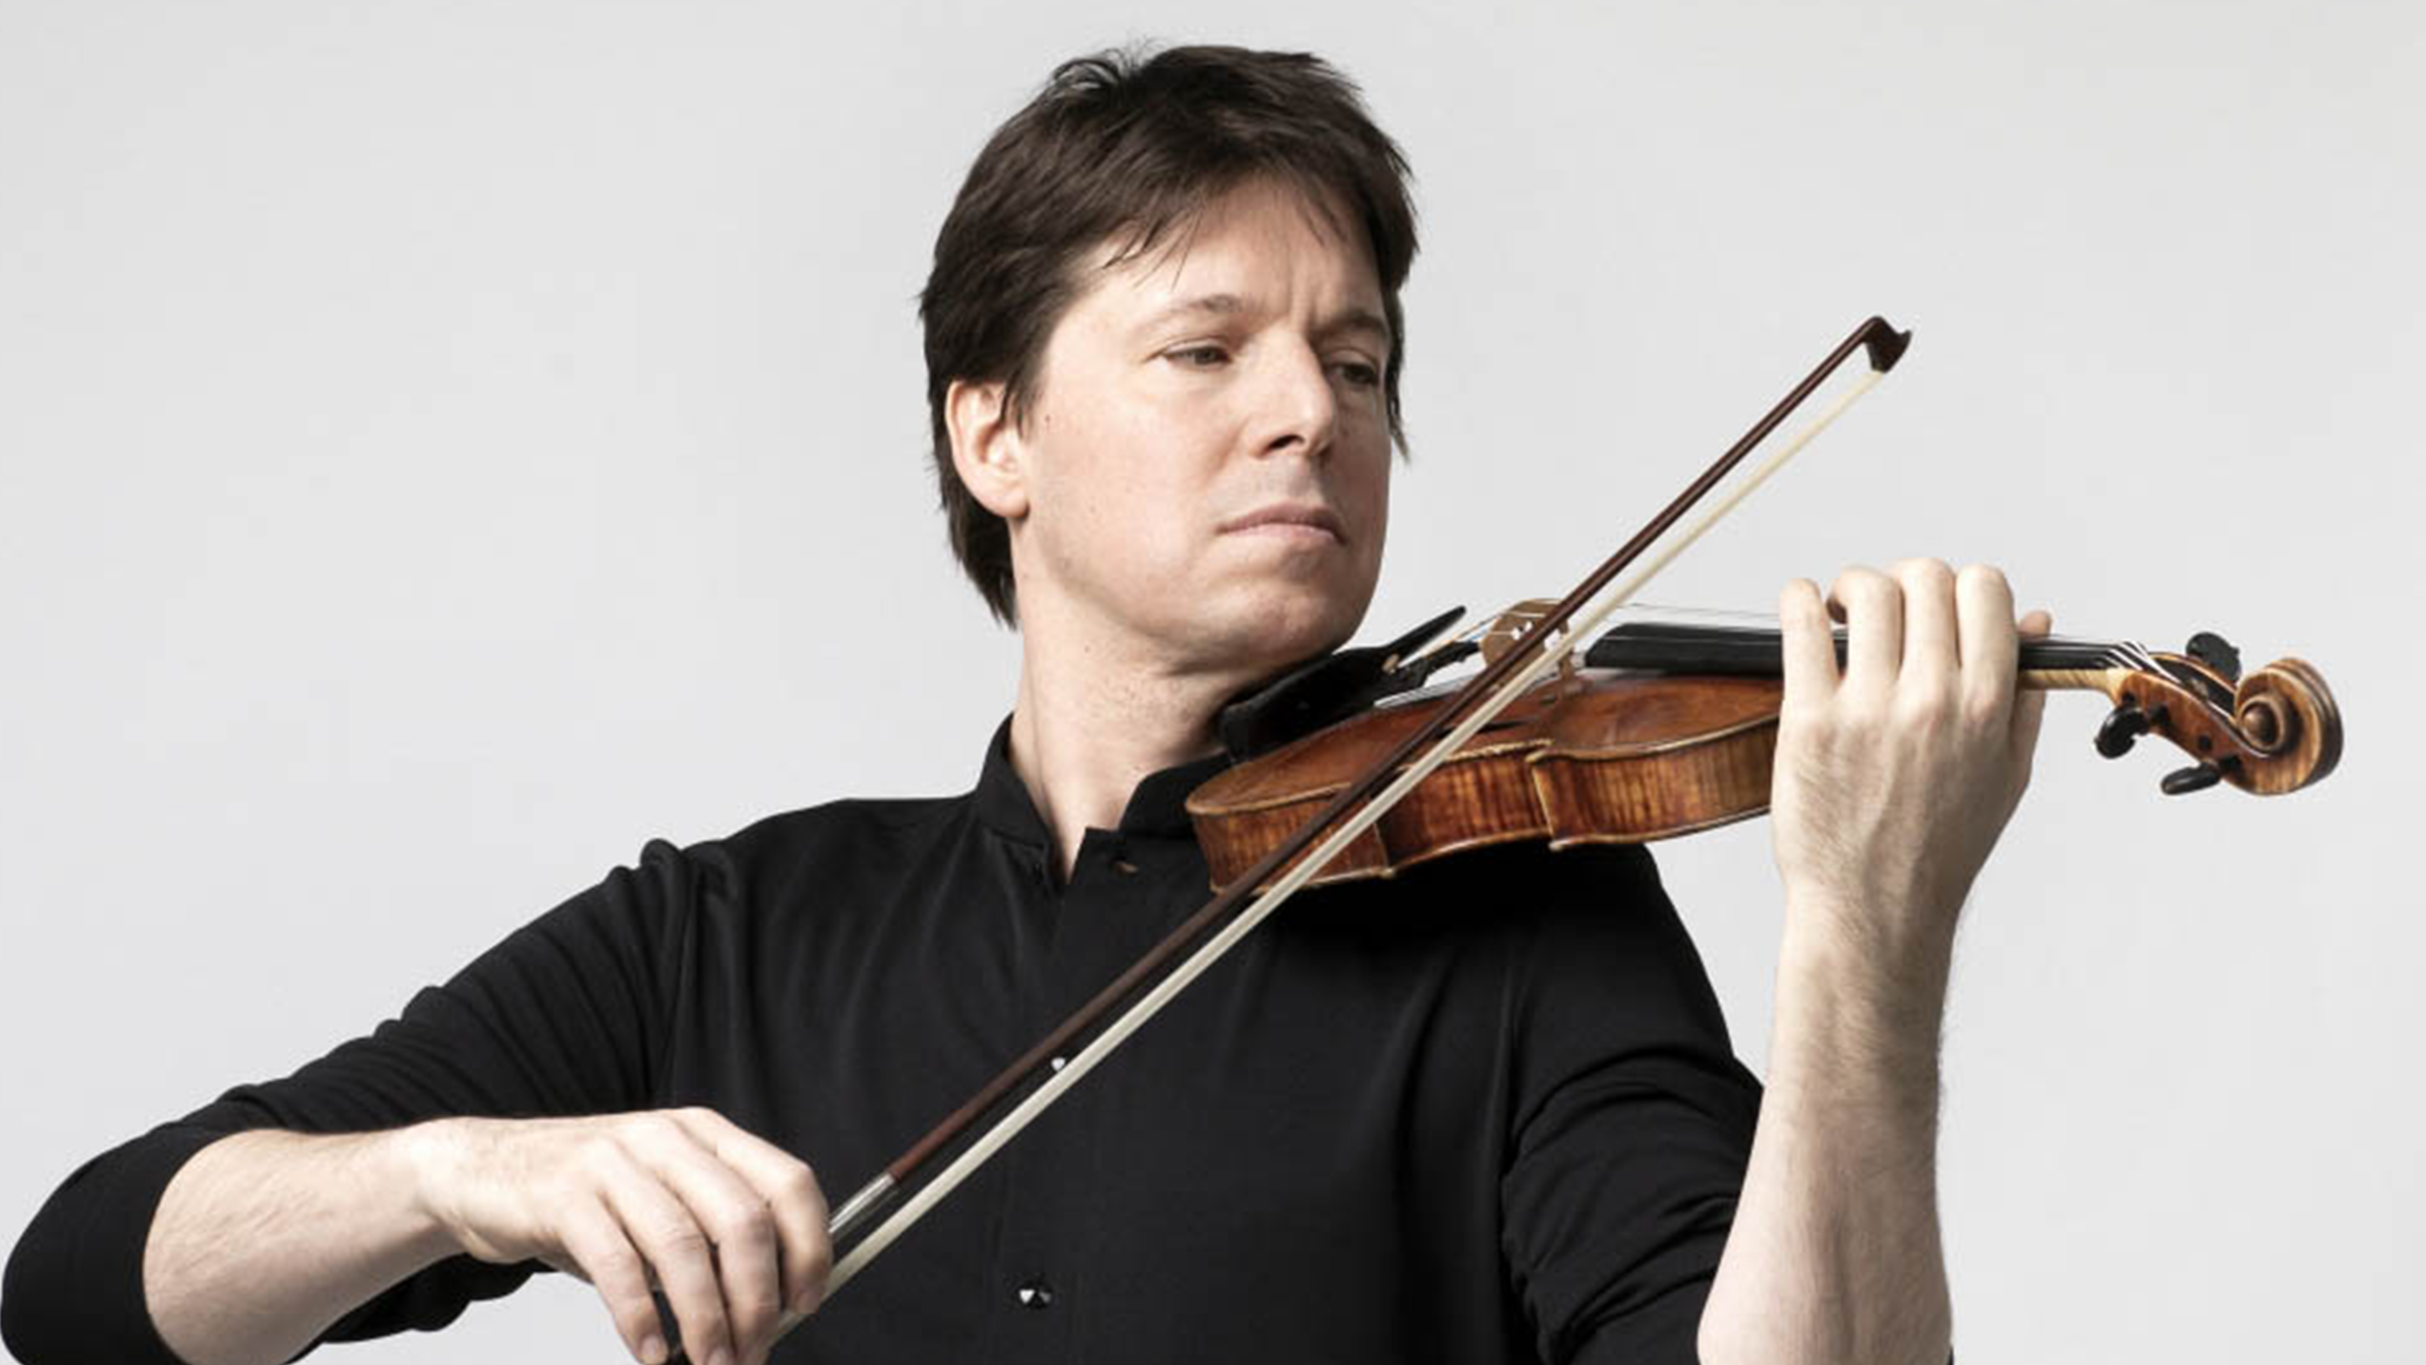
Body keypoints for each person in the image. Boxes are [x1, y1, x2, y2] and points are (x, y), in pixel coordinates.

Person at [2, 44, 2042, 1365]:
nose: (1309, 411)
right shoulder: (732, 932)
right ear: (994, 433)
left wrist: (1866, 935)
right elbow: (88, 1282)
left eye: (1353, 359)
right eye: (1206, 348)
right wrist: (457, 1173)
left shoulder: (1525, 933)